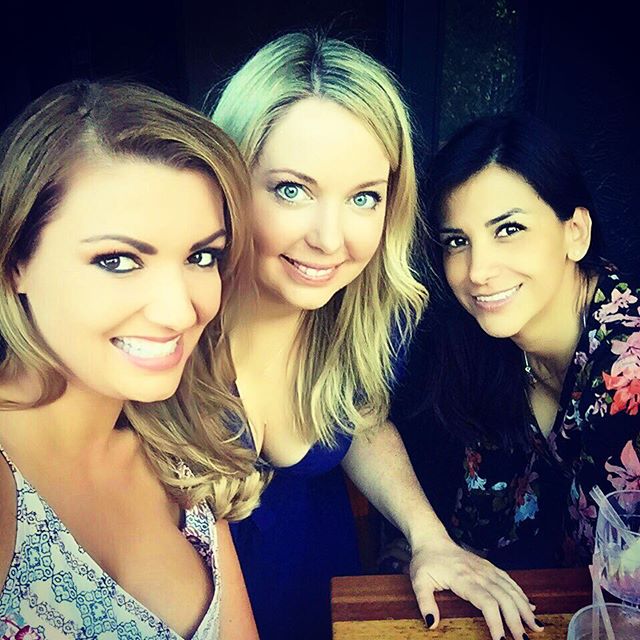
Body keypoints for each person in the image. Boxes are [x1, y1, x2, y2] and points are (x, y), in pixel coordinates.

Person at [210, 34, 541, 640]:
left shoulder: (352, 317)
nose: (330, 239)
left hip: (328, 608)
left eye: (364, 197)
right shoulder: (164, 338)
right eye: (292, 189)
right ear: (226, 178)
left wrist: (429, 538)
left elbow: (358, 418)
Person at [0, 80, 262, 639]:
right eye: (117, 260)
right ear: (16, 261)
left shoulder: (179, 450)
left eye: (202, 256)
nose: (178, 311)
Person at [391, 113, 640, 577]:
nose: (478, 270)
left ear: (575, 233)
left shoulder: (629, 371)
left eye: (508, 230)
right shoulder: (485, 344)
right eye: (457, 241)